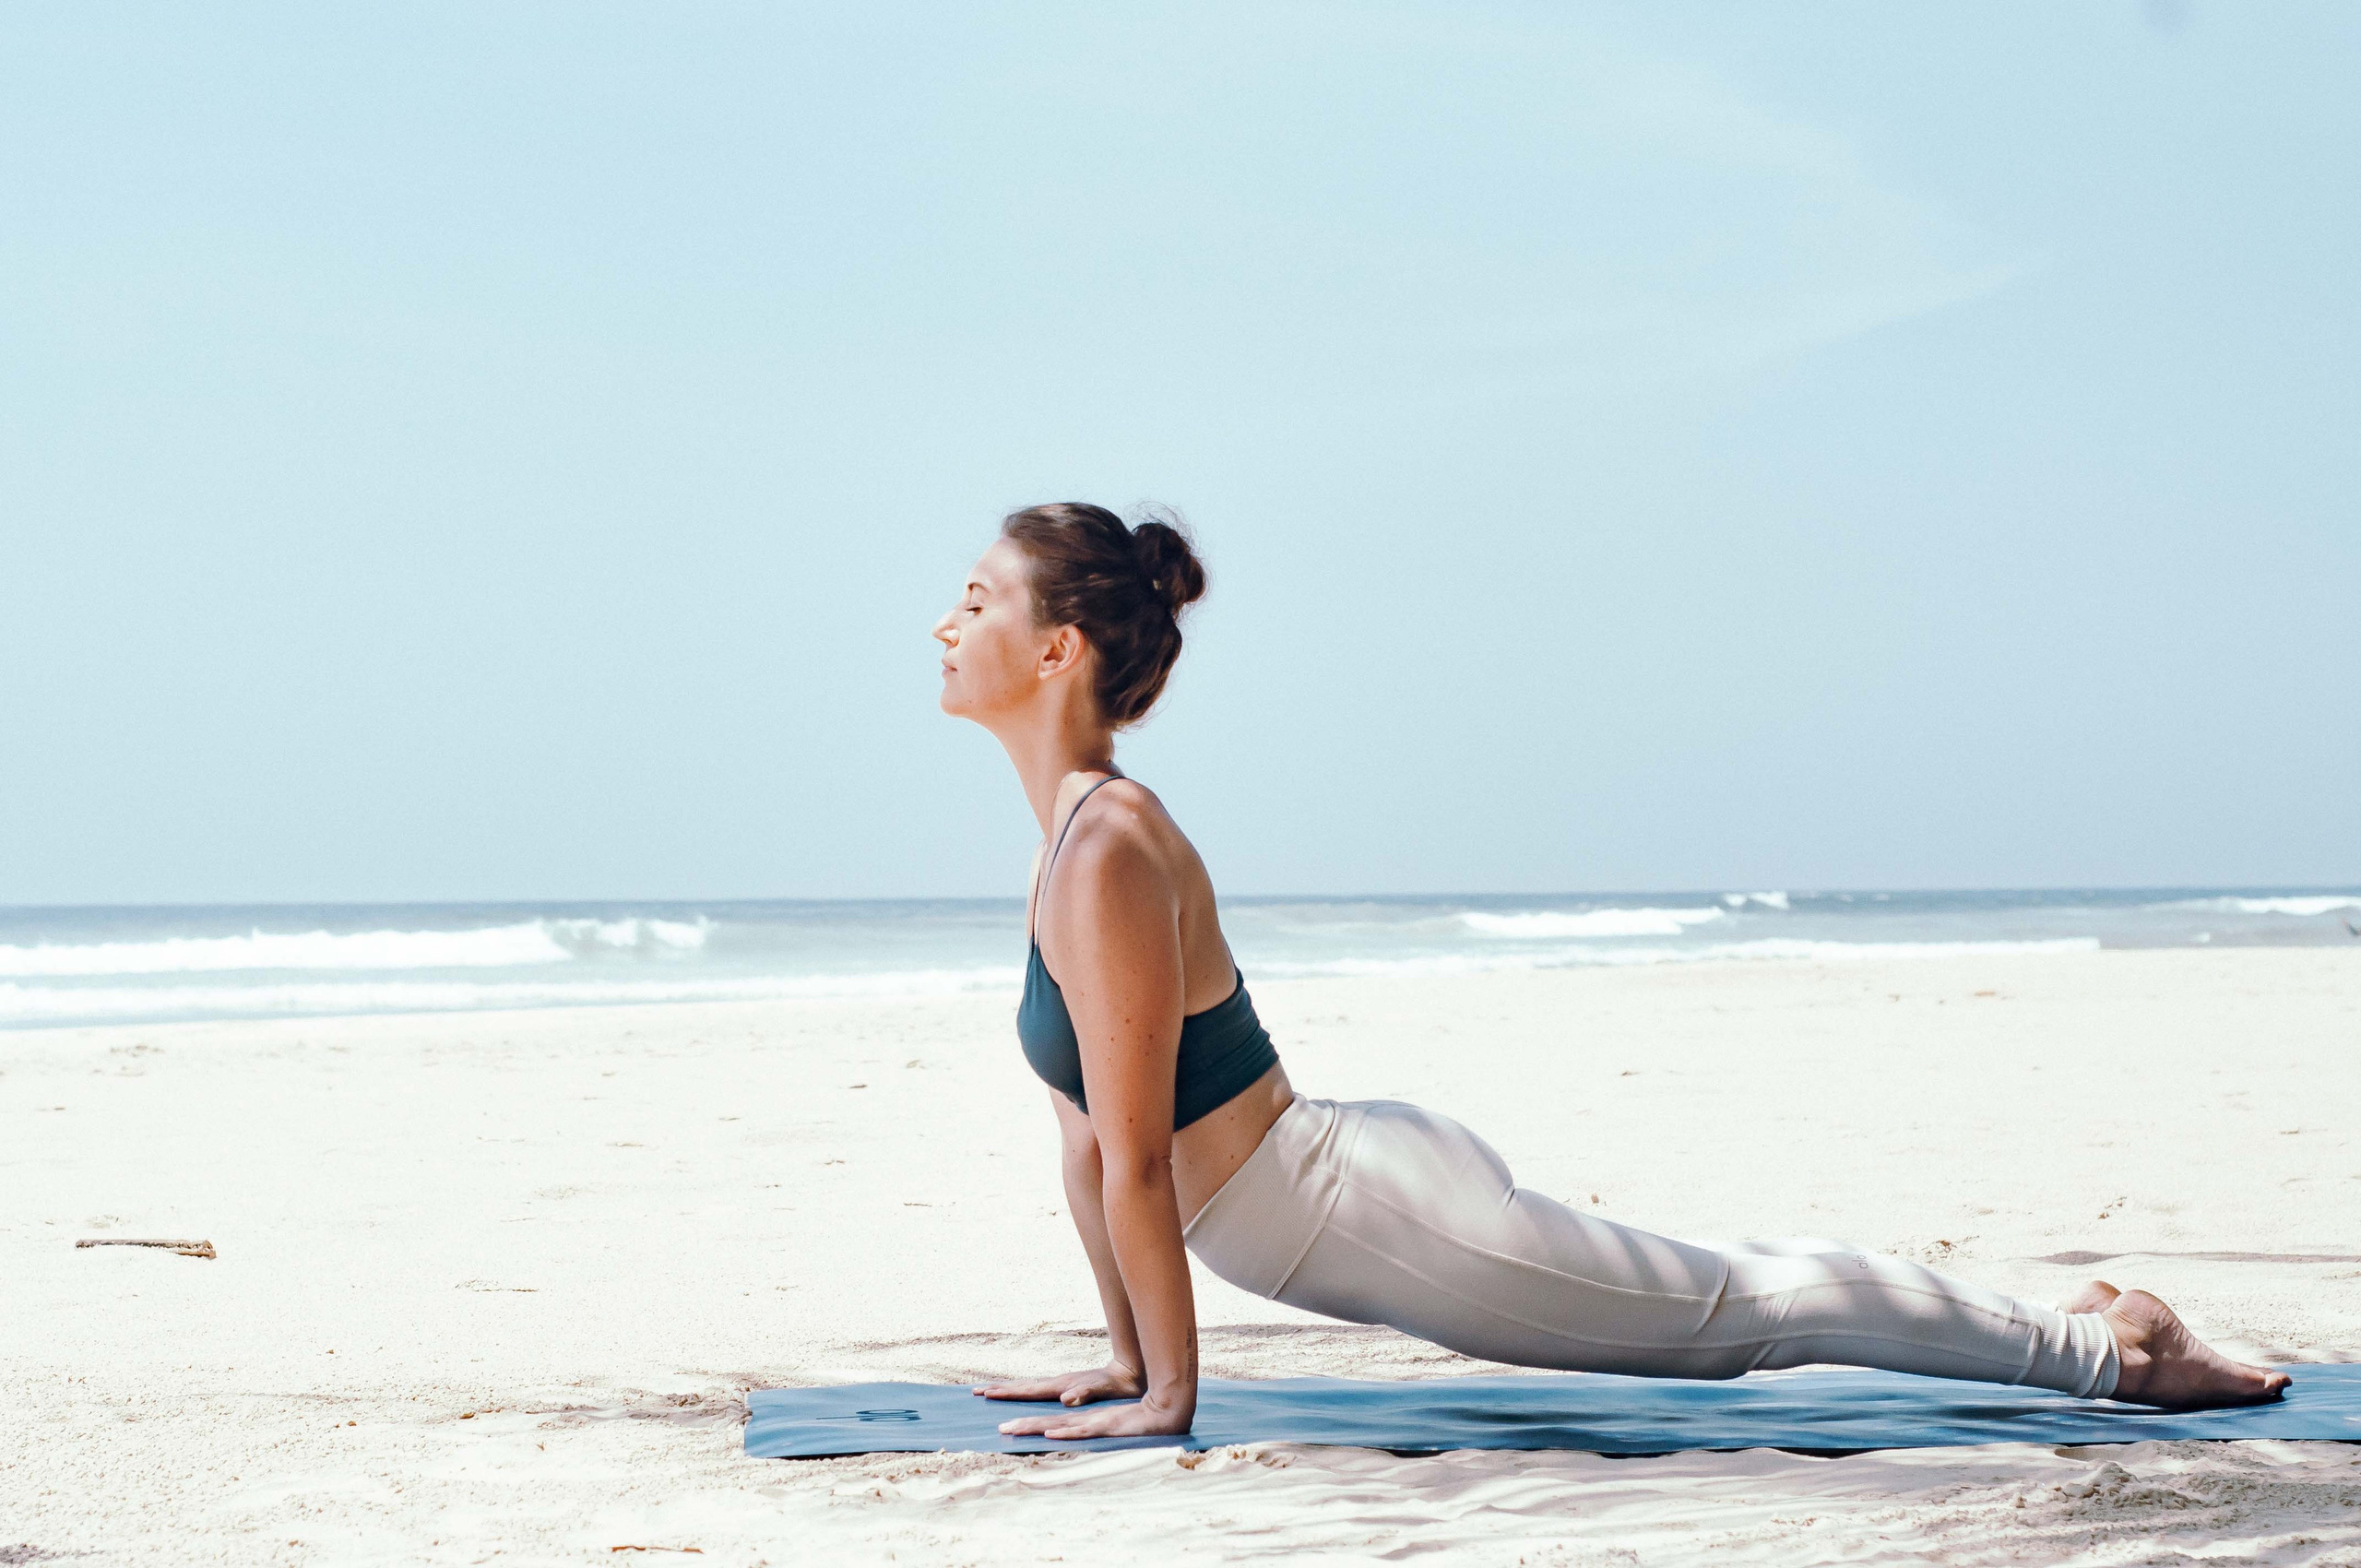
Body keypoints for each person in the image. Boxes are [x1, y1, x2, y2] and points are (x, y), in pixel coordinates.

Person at [931, 502, 2292, 1442]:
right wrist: (1123, 1359)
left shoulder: (1109, 844)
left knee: (1741, 1314)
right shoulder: (1068, 838)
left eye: (976, 598)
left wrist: (1170, 1394)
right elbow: (1089, 1140)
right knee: (1736, 1292)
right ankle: (2072, 1324)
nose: (945, 621)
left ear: (1057, 649)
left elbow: (1143, 1166)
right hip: (1332, 1201)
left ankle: (2121, 1354)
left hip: (1365, 1214)